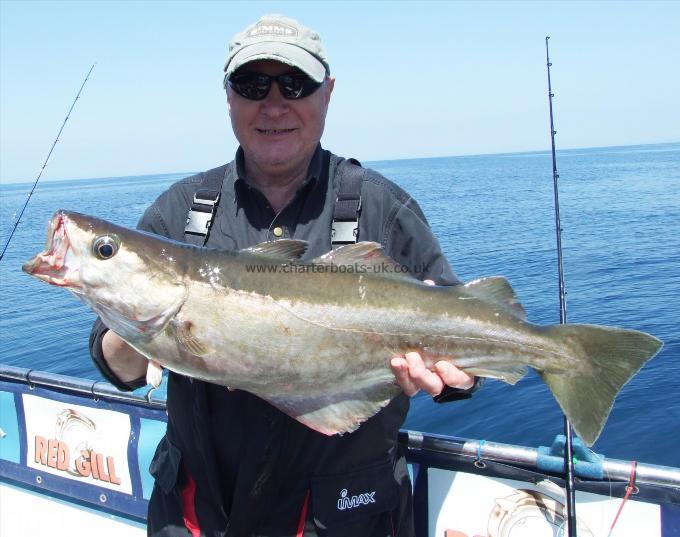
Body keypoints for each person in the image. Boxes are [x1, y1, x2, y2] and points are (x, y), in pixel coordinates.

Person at [90, 14, 481, 537]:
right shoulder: (179, 212)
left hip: (345, 516)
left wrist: (459, 374)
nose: (273, 105)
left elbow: (461, 338)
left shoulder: (383, 207)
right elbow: (123, 369)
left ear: (328, 93)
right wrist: (132, 311)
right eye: (253, 85)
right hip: (198, 514)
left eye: (294, 84)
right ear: (227, 96)